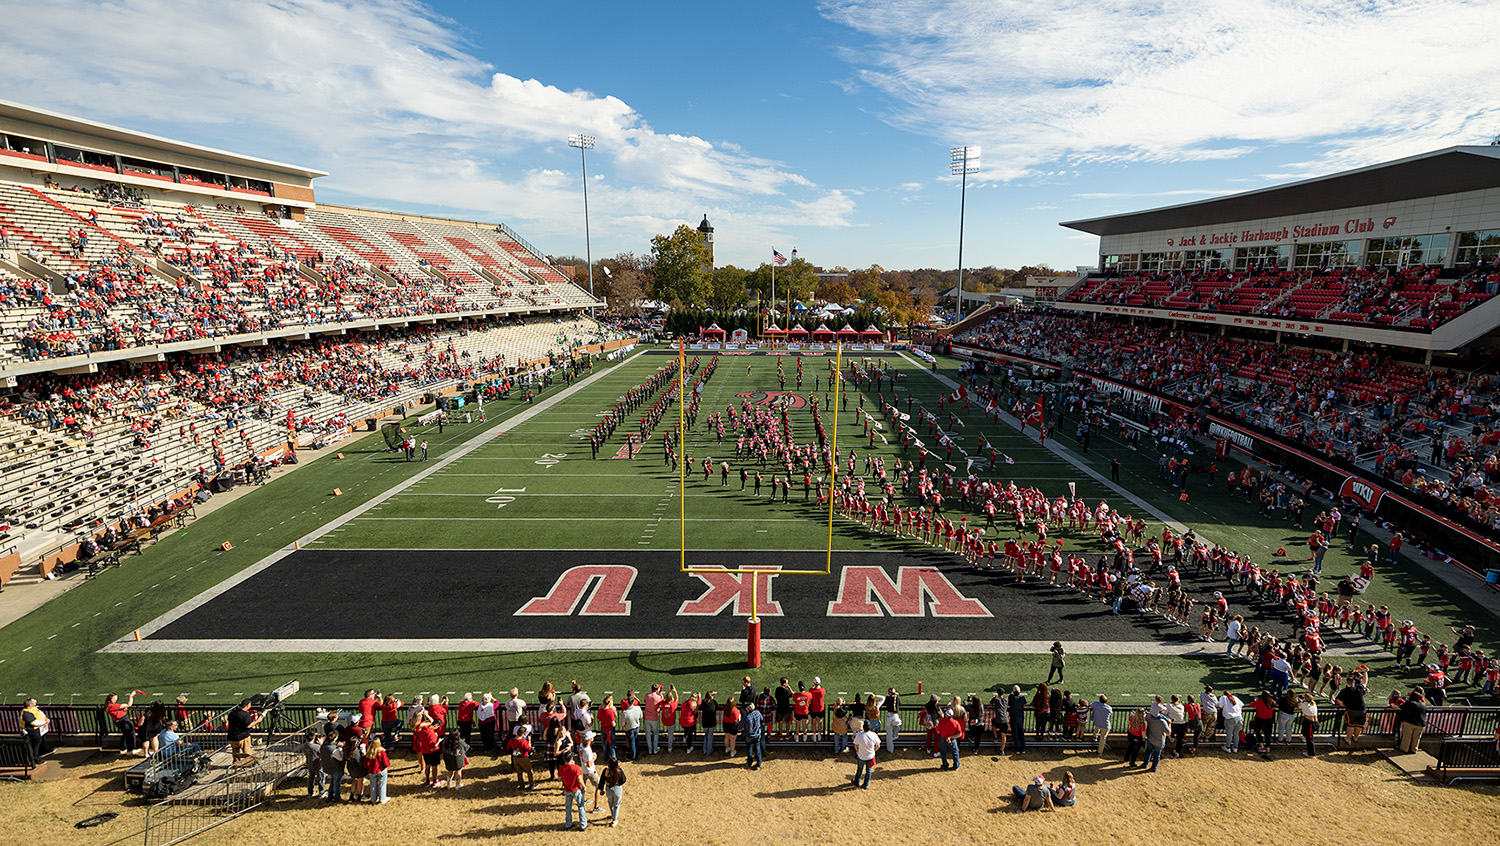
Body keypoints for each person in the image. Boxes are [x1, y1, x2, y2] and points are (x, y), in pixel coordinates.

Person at [227, 698, 264, 767]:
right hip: (242, 737)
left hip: (231, 737)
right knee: (246, 752)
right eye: (250, 705)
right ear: (247, 706)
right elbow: (248, 726)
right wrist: (258, 721)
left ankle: (235, 764)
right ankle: (248, 764)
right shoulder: (245, 715)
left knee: (235, 751)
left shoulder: (232, 713)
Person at [560, 751, 588, 831]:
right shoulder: (576, 768)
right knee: (581, 807)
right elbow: (579, 779)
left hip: (567, 790)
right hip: (576, 790)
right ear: (571, 758)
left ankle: (568, 824)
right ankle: (583, 824)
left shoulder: (562, 768)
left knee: (568, 807)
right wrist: (584, 786)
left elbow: (559, 778)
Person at [1396, 689, 1427, 754]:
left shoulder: (1410, 702)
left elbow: (1402, 707)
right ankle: (1414, 749)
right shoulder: (1423, 705)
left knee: (1407, 736)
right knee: (1416, 738)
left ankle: (1404, 749)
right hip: (1421, 724)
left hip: (1409, 722)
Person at [599, 753, 626, 827]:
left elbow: (601, 781)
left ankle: (613, 814)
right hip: (617, 788)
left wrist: (601, 789)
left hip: (608, 788)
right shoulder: (619, 771)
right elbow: (623, 780)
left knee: (610, 803)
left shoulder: (606, 771)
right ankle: (614, 819)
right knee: (616, 804)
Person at [20, 698, 48, 767]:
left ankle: (35, 757)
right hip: (33, 732)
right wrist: (45, 722)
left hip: (35, 731)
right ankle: (36, 759)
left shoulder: (29, 710)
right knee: (35, 746)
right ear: (29, 705)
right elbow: (34, 723)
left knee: (36, 745)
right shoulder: (26, 713)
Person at [318, 728, 345, 801]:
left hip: (328, 766)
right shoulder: (334, 749)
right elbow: (340, 758)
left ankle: (330, 795)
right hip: (335, 767)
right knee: (336, 783)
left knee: (332, 781)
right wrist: (340, 749)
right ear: (334, 738)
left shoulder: (324, 746)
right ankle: (337, 797)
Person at [852, 718, 879, 789]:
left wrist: (857, 751)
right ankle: (866, 784)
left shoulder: (859, 735)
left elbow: (855, 744)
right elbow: (878, 745)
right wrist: (874, 751)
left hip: (861, 756)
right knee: (868, 771)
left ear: (863, 727)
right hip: (870, 756)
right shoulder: (874, 735)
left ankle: (857, 781)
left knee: (859, 769)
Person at [507, 724, 536, 790]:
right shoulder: (523, 741)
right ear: (523, 734)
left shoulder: (512, 740)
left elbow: (508, 747)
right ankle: (532, 784)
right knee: (529, 771)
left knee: (519, 772)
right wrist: (529, 741)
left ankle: (521, 785)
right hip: (524, 758)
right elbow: (528, 749)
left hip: (515, 758)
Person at [743, 698, 765, 769]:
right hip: (757, 733)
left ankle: (749, 762)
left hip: (749, 735)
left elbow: (740, 726)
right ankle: (759, 762)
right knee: (757, 747)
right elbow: (761, 719)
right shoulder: (757, 713)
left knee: (749, 748)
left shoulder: (746, 717)